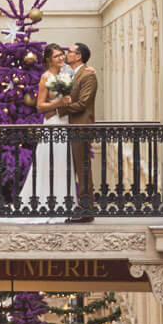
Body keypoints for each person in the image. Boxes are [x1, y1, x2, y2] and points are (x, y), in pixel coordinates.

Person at [18, 44, 75, 222]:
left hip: (65, 123)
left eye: (62, 55)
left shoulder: (64, 75)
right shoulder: (46, 77)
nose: (61, 58)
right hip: (53, 122)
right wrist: (59, 103)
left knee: (63, 163)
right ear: (49, 59)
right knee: (51, 162)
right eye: (57, 56)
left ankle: (64, 203)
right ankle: (46, 202)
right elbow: (40, 106)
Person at [58, 42, 97, 222]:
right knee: (75, 167)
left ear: (79, 56)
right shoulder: (71, 73)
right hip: (69, 125)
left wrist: (60, 109)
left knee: (83, 168)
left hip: (80, 126)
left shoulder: (88, 75)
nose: (67, 54)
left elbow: (83, 103)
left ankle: (87, 209)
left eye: (70, 51)